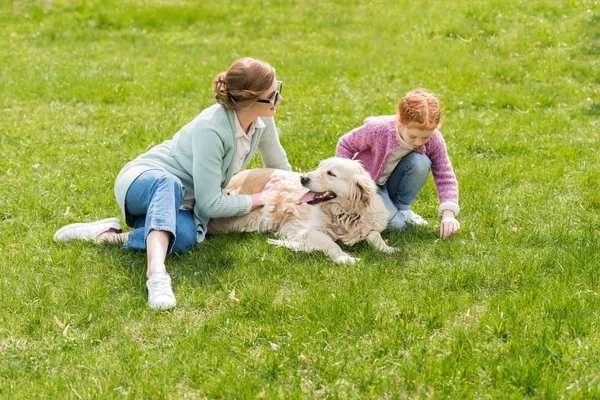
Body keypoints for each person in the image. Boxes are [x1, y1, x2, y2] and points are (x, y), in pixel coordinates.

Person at [53, 57, 291, 310]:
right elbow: (210, 205)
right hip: (143, 181)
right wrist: (256, 199)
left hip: (183, 203)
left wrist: (302, 191)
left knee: (185, 238)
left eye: (278, 91)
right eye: (273, 95)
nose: (279, 100)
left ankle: (105, 236)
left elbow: (277, 162)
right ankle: (157, 275)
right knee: (170, 182)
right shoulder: (211, 128)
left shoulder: (263, 117)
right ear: (248, 99)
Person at [336, 89, 460, 239]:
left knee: (421, 160)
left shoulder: (434, 139)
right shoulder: (379, 130)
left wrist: (449, 215)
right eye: (413, 136)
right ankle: (384, 210)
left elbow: (445, 174)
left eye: (425, 138)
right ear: (400, 122)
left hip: (393, 181)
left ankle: (402, 208)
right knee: (397, 226)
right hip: (370, 186)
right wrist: (347, 183)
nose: (418, 142)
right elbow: (345, 144)